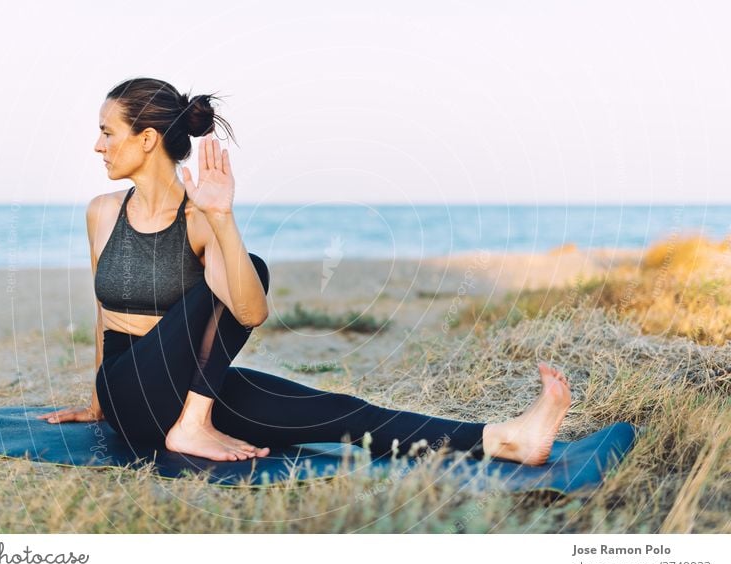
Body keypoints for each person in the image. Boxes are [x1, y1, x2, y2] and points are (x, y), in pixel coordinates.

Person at [37, 77, 572, 465]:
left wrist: (222, 221)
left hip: (187, 391)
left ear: (147, 138)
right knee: (246, 274)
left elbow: (249, 311)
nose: (98, 144)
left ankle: (505, 439)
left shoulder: (200, 219)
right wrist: (96, 401)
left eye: (108, 132)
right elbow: (106, 316)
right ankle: (192, 428)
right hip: (131, 394)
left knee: (333, 411)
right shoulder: (103, 213)